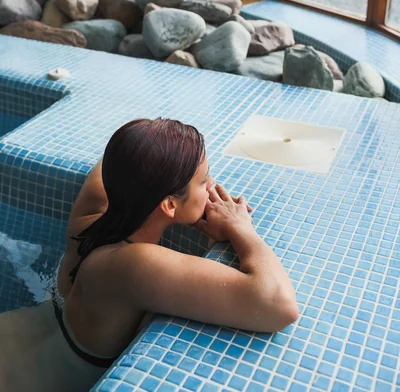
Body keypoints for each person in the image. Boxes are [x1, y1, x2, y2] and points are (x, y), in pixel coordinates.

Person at [0, 118, 298, 392]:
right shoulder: (133, 265)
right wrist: (239, 226)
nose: (212, 187)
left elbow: (125, 156)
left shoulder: (91, 218)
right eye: (204, 180)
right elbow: (278, 305)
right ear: (169, 204)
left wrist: (184, 196)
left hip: (19, 336)